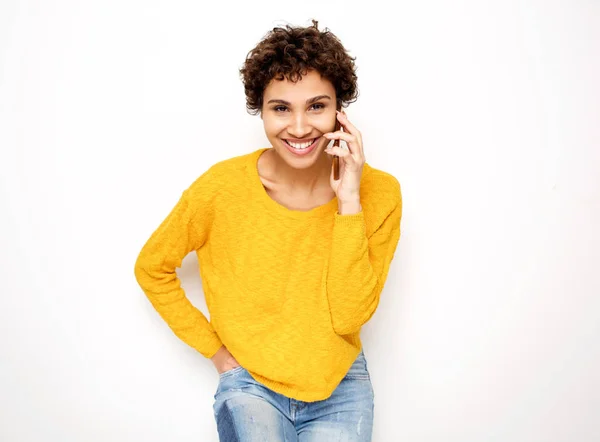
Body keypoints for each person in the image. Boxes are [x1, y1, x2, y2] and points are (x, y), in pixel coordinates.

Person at [134, 19, 402, 442]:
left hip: (341, 385)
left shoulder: (379, 194)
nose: (298, 128)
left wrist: (348, 200)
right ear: (260, 108)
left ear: (340, 111)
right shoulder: (220, 189)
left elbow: (350, 316)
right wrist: (220, 357)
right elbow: (152, 268)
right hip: (250, 383)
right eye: (281, 108)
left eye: (316, 106)